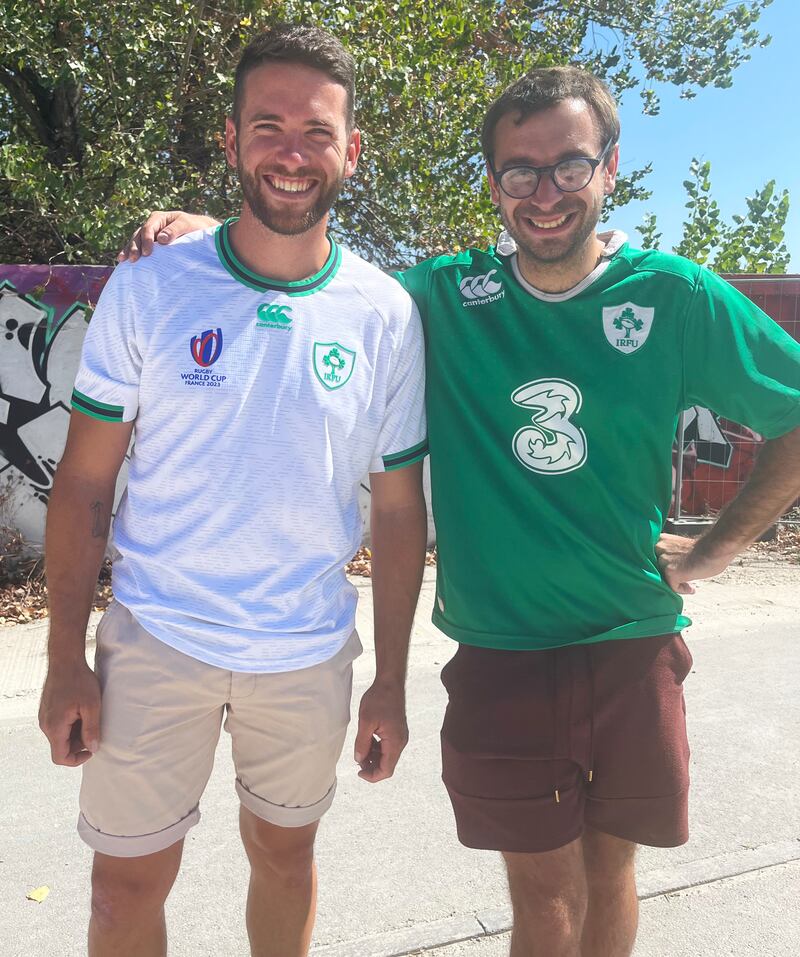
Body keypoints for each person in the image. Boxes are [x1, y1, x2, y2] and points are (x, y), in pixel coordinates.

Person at [121, 66, 800, 957]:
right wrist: (219, 230)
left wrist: (712, 551)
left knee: (611, 875)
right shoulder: (445, 295)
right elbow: (320, 274)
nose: (545, 192)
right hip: (502, 649)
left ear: (611, 168)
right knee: (543, 890)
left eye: (569, 164)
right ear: (492, 183)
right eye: (520, 170)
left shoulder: (673, 295)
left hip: (633, 638)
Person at [38, 24, 428, 957]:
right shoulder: (151, 287)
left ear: (352, 150)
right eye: (269, 126)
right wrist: (62, 655)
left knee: (284, 860)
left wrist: (392, 680)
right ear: (231, 139)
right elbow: (86, 481)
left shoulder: (385, 313)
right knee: (120, 888)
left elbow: (400, 507)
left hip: (303, 651)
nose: (292, 153)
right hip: (154, 637)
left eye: (317, 131)